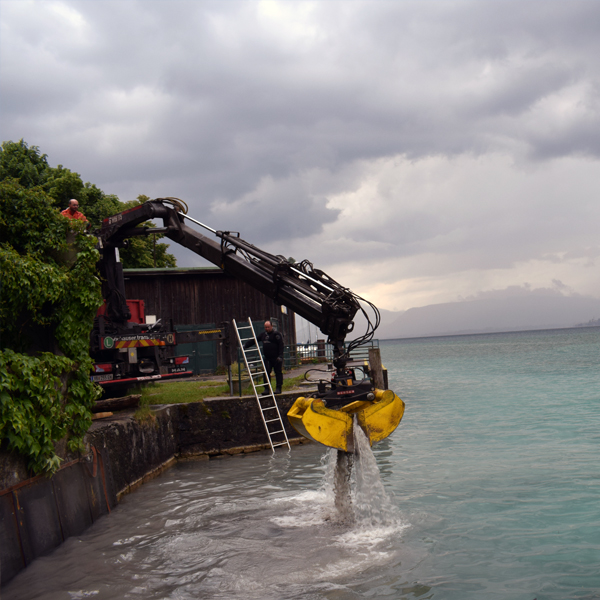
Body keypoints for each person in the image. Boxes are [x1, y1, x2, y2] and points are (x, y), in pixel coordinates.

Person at [244, 321, 284, 394]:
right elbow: (255, 340)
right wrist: (246, 345)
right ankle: (267, 389)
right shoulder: (263, 335)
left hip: (276, 358)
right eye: (266, 327)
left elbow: (281, 345)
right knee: (266, 373)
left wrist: (280, 356)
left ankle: (278, 388)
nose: (267, 329)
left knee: (278, 372)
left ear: (271, 326)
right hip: (267, 358)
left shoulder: (276, 335)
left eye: (268, 327)